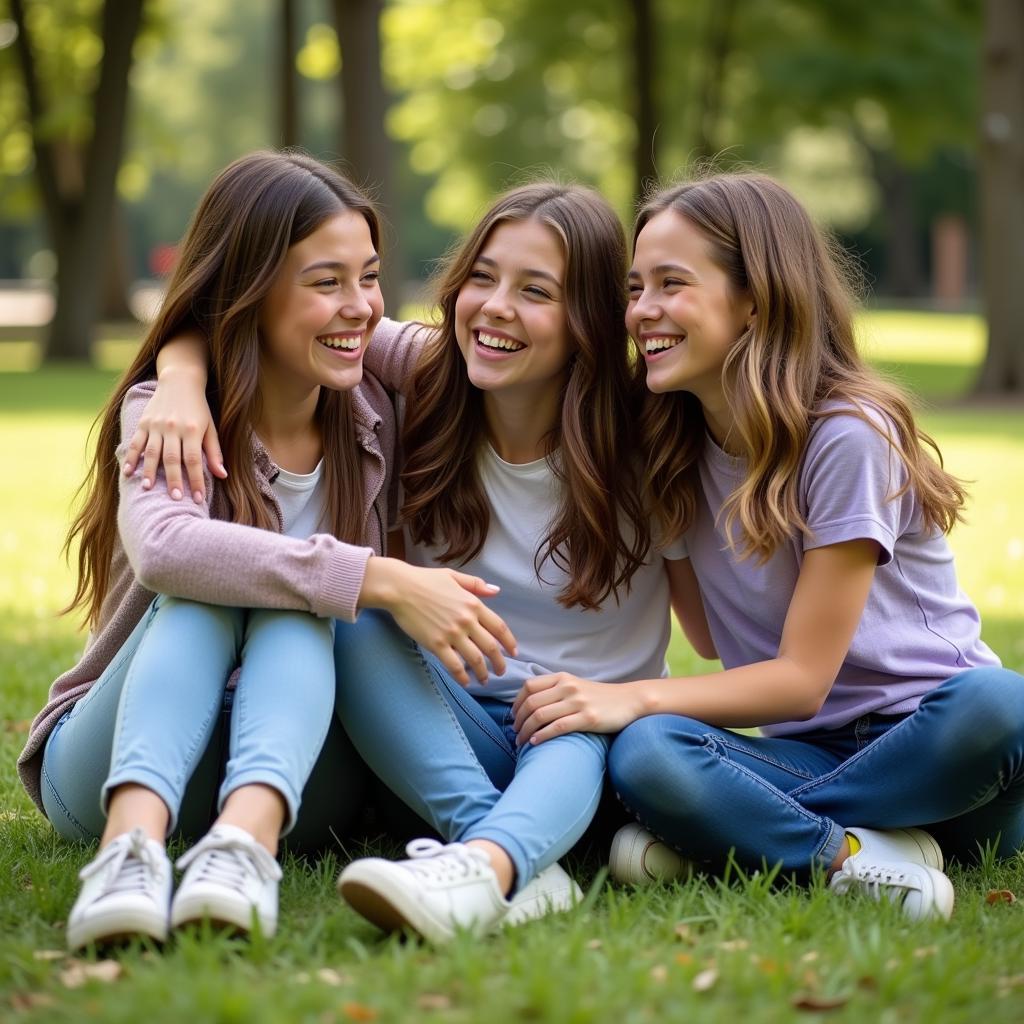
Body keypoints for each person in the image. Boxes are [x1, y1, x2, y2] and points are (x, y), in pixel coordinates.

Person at [130, 182, 703, 943]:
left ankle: (492, 863)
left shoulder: (650, 439)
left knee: (573, 719)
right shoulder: (428, 383)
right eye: (482, 278)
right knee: (354, 610)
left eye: (535, 291)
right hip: (435, 738)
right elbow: (248, 315)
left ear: (591, 322)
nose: (496, 307)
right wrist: (178, 374)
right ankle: (490, 848)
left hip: (585, 742)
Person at [18, 151, 515, 951]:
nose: (358, 306)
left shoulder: (378, 403)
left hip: (296, 776)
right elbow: (167, 553)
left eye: (370, 276)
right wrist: (377, 575)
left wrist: (188, 349)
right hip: (111, 763)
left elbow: (482, 354)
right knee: (218, 586)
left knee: (303, 607)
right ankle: (126, 854)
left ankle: (244, 850)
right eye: (326, 281)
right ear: (247, 291)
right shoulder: (166, 414)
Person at [511, 172, 1024, 921]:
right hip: (807, 754)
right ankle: (849, 856)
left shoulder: (847, 433)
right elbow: (710, 638)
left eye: (671, 284)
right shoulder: (671, 449)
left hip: (939, 752)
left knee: (1000, 701)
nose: (642, 312)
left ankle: (740, 835)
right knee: (649, 752)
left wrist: (626, 696)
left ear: (755, 299)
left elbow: (799, 681)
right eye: (634, 288)